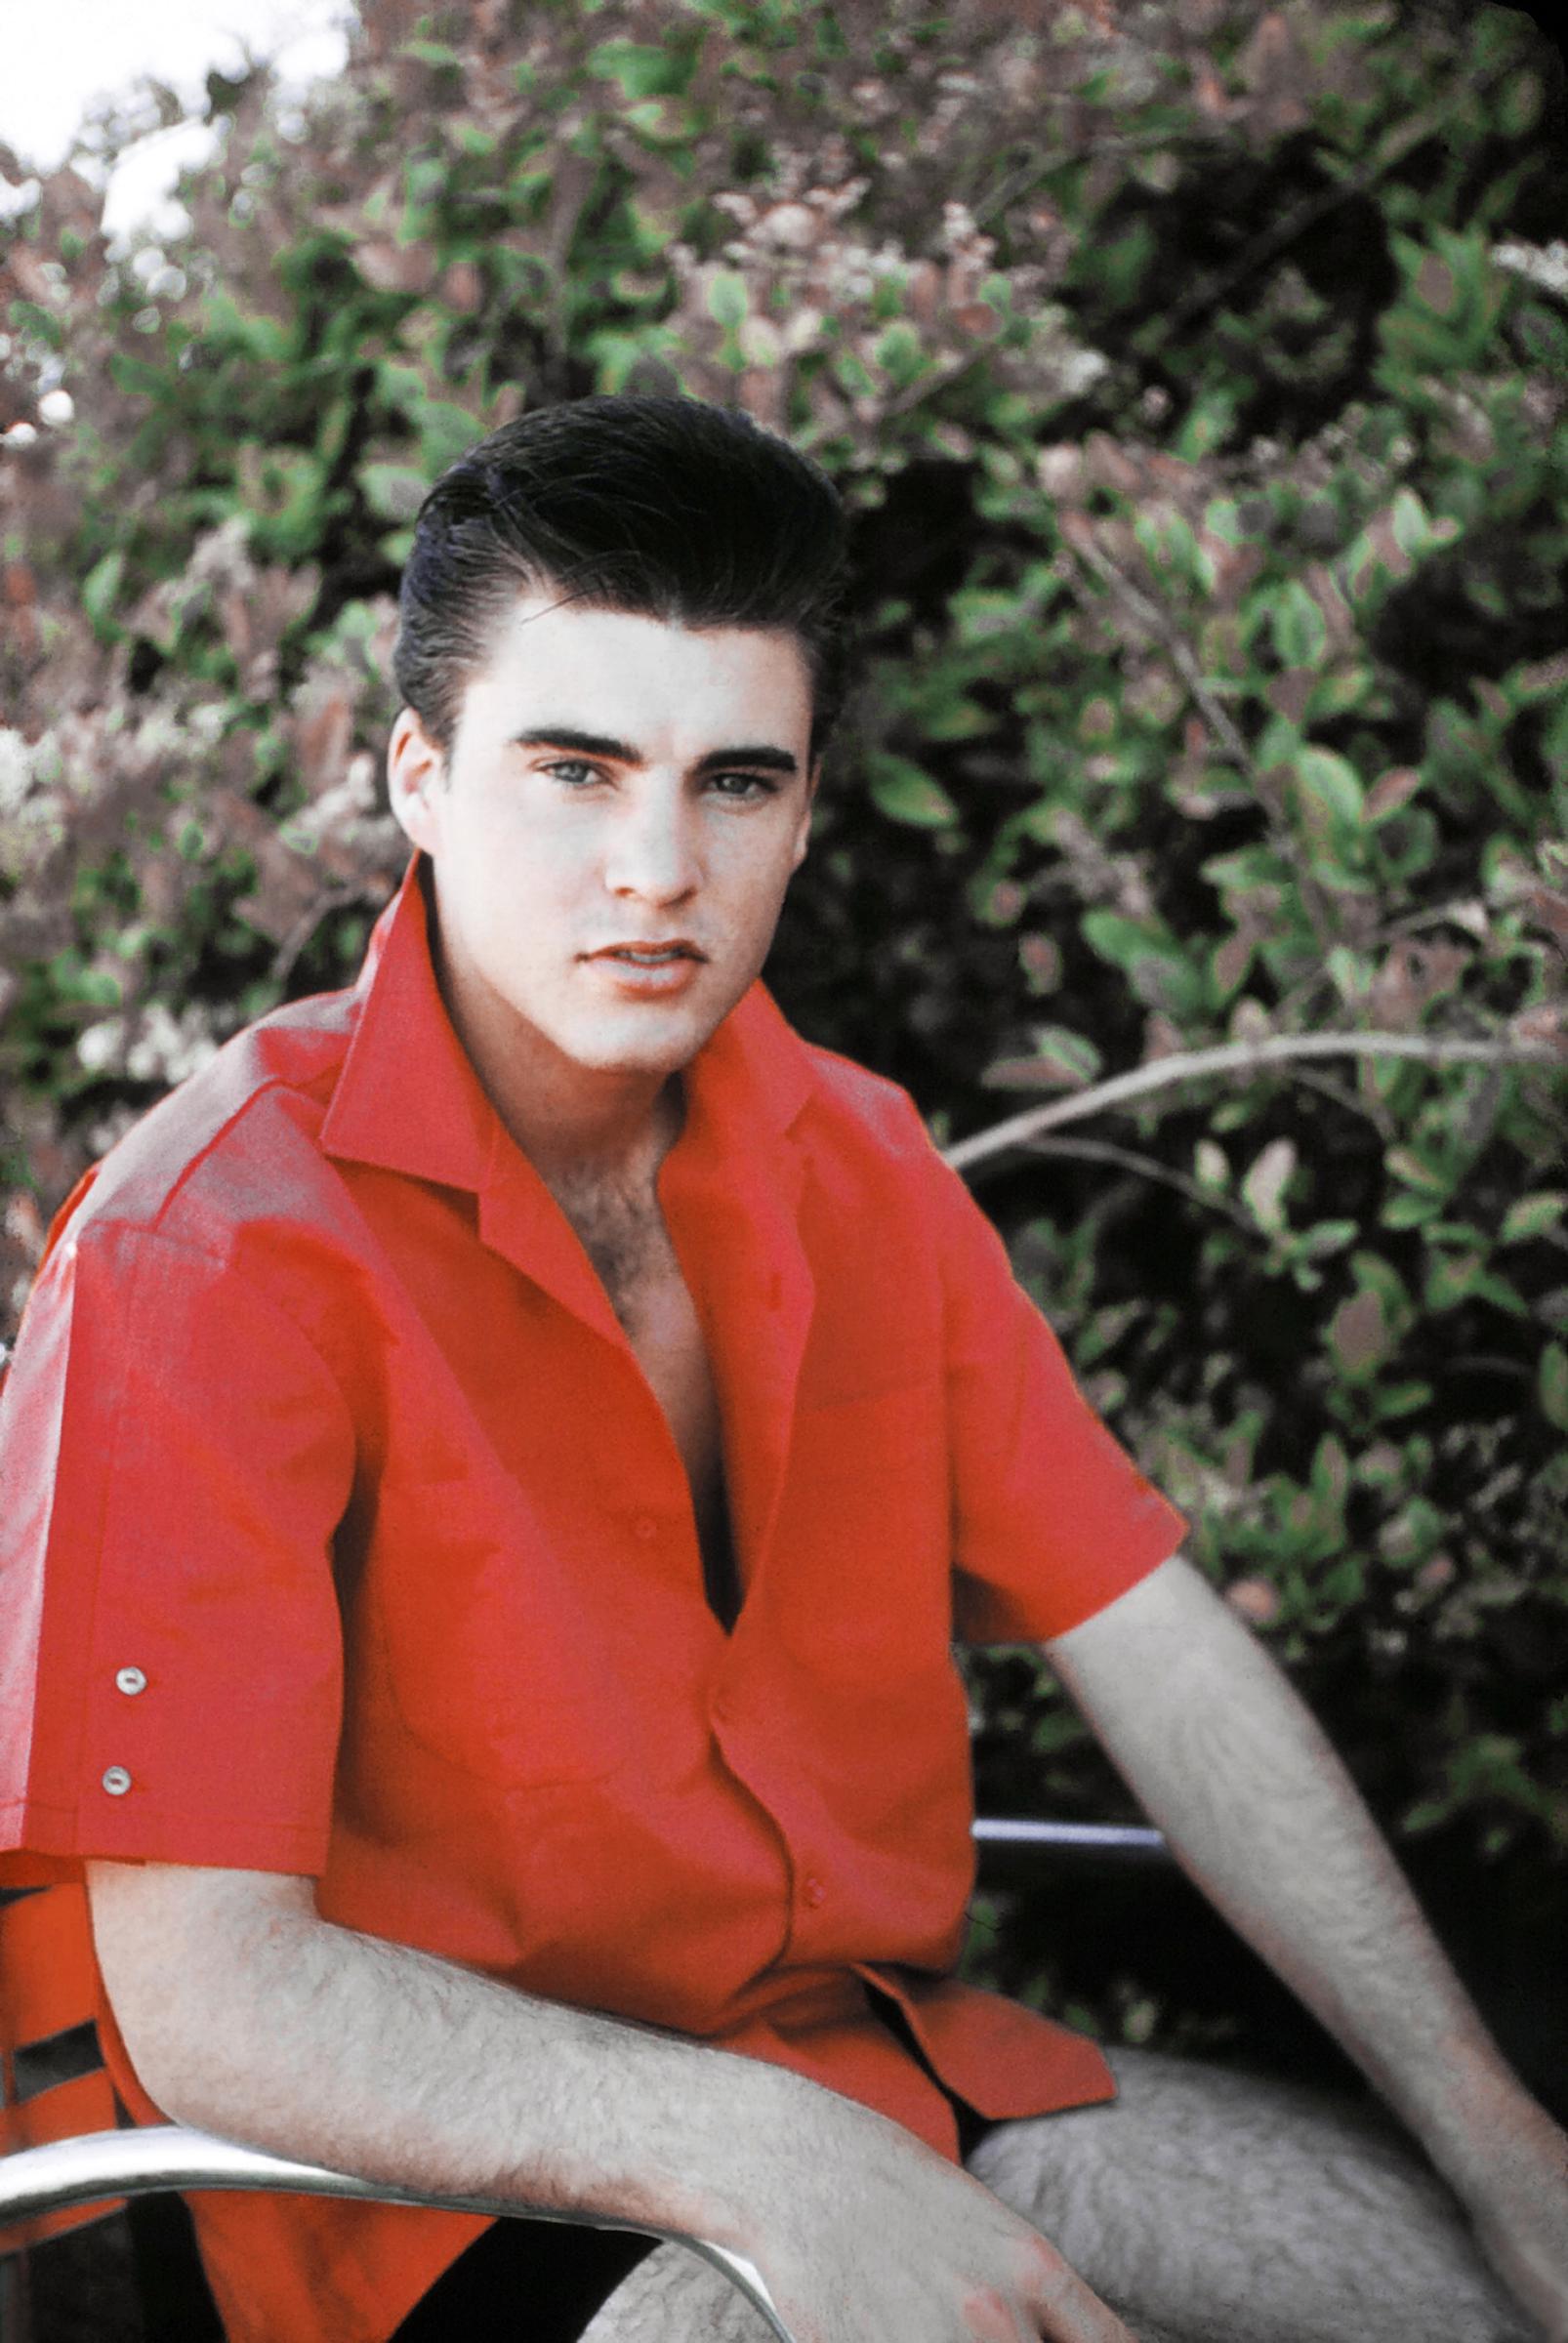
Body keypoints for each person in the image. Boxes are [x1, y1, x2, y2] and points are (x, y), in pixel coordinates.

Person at [0, 396, 1563, 2343]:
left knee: (1465, 2292)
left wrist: (1501, 2143)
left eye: (732, 782)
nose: (656, 867)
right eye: (572, 770)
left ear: (803, 806)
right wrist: (778, 2167)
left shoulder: (861, 1162)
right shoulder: (202, 1255)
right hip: (426, 2202)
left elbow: (1152, 1647)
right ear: (416, 773)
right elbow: (216, 1992)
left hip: (885, 2069)